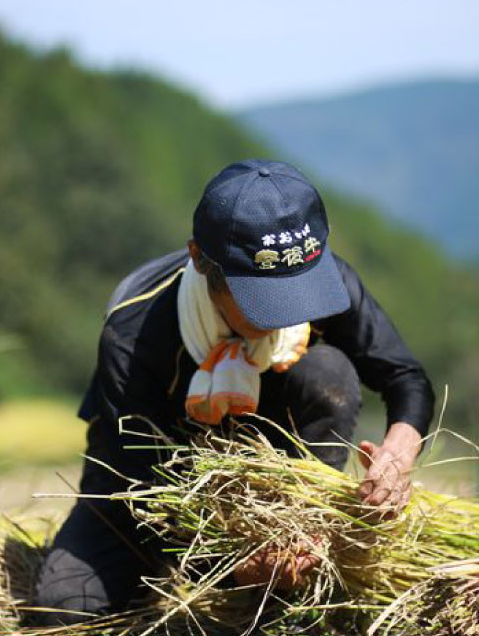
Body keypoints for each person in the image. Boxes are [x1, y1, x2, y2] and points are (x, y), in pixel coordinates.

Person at [34, 159, 433, 625]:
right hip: (153, 487)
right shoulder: (135, 329)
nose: (288, 315)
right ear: (201, 259)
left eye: (299, 292)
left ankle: (303, 541)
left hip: (278, 492)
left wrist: (399, 452)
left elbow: (405, 377)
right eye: (265, 301)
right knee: (62, 606)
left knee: (328, 371)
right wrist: (232, 559)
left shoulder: (327, 280)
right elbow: (137, 483)